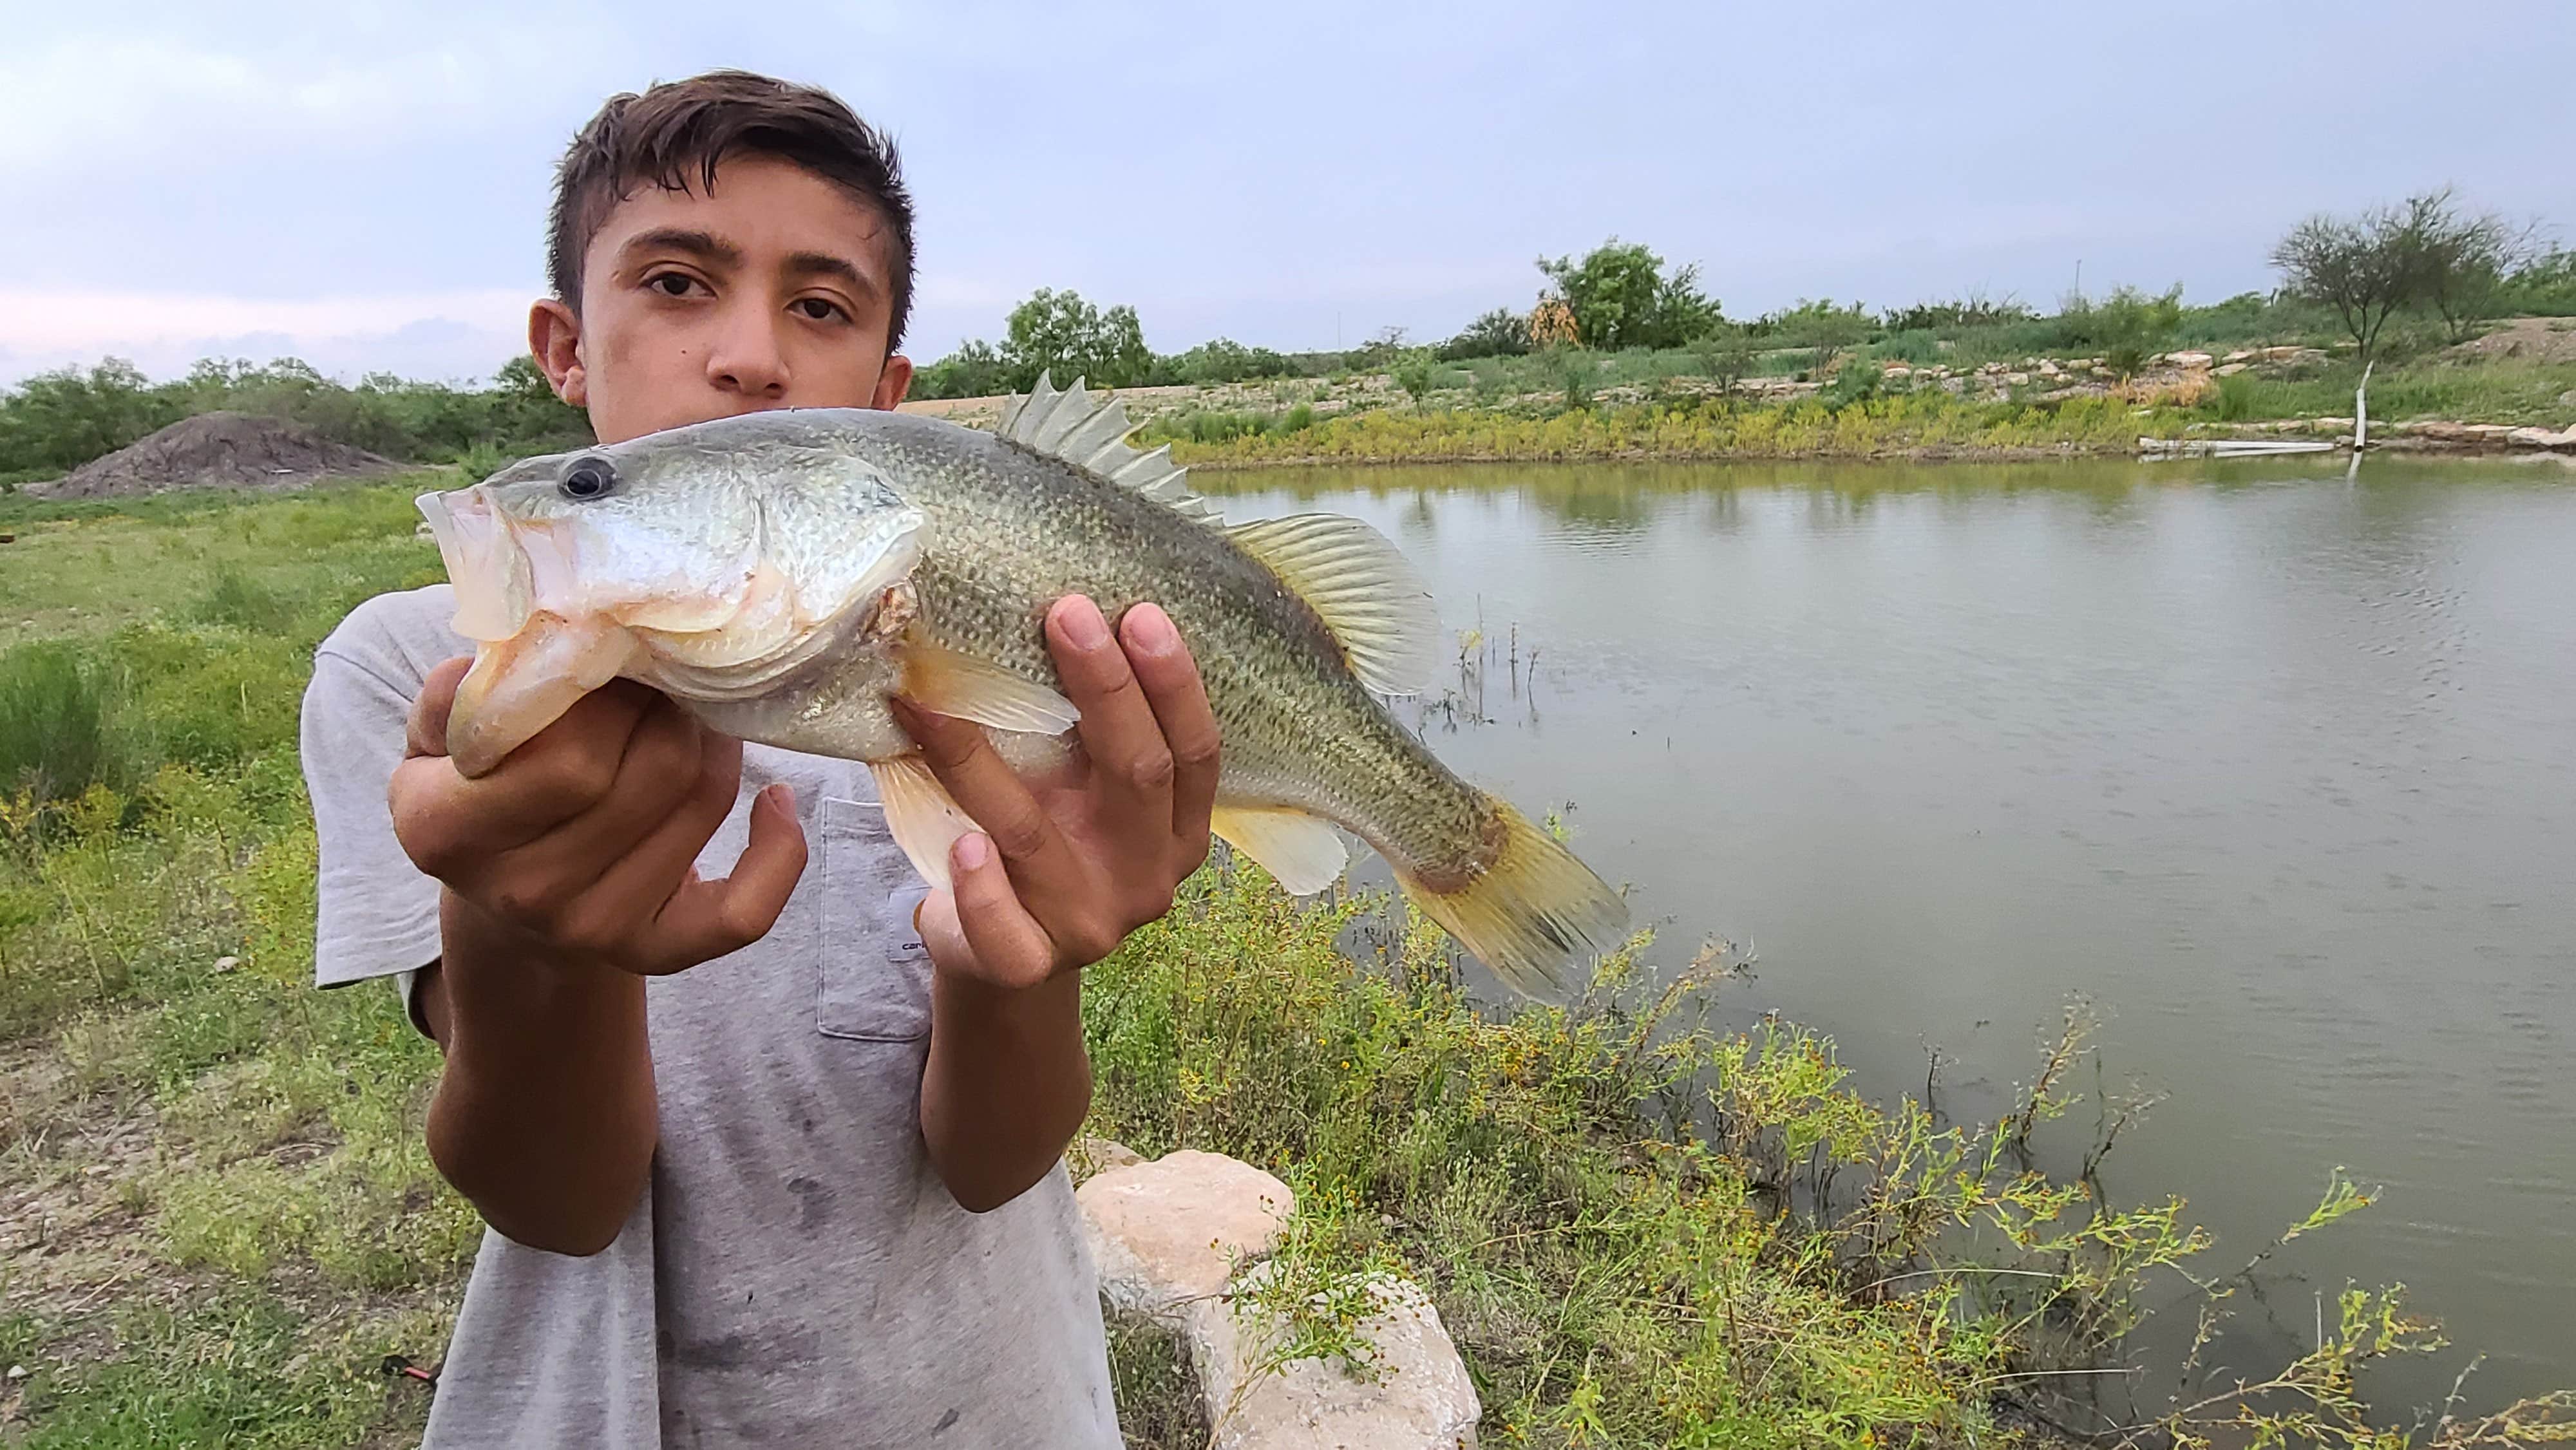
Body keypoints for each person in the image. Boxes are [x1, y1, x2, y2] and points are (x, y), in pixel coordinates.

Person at [301, 70, 1216, 1447]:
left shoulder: (954, 686)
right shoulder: (410, 674)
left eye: (822, 305)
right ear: (565, 344)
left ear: (886, 407)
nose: (749, 355)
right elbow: (557, 1199)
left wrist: (1016, 966)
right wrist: (529, 949)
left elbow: (992, 1162)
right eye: (676, 283)